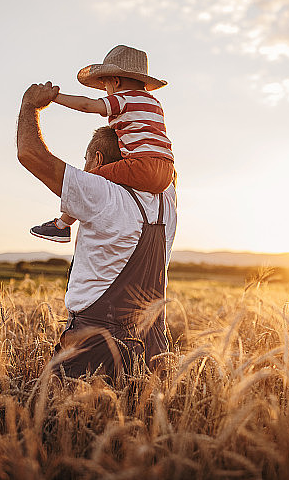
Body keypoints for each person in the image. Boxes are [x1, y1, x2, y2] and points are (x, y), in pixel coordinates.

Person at [16, 81, 177, 380]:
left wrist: (30, 106)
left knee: (70, 424)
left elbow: (29, 153)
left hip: (94, 346)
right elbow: (162, 164)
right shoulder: (167, 198)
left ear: (98, 161)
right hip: (154, 348)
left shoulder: (101, 193)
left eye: (86, 161)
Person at [29, 45, 174, 243]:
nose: (106, 92)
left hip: (142, 166)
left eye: (105, 86)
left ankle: (61, 225)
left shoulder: (123, 99)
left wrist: (54, 98)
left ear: (115, 81)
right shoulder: (154, 103)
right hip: (166, 172)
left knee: (92, 179)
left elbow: (87, 105)